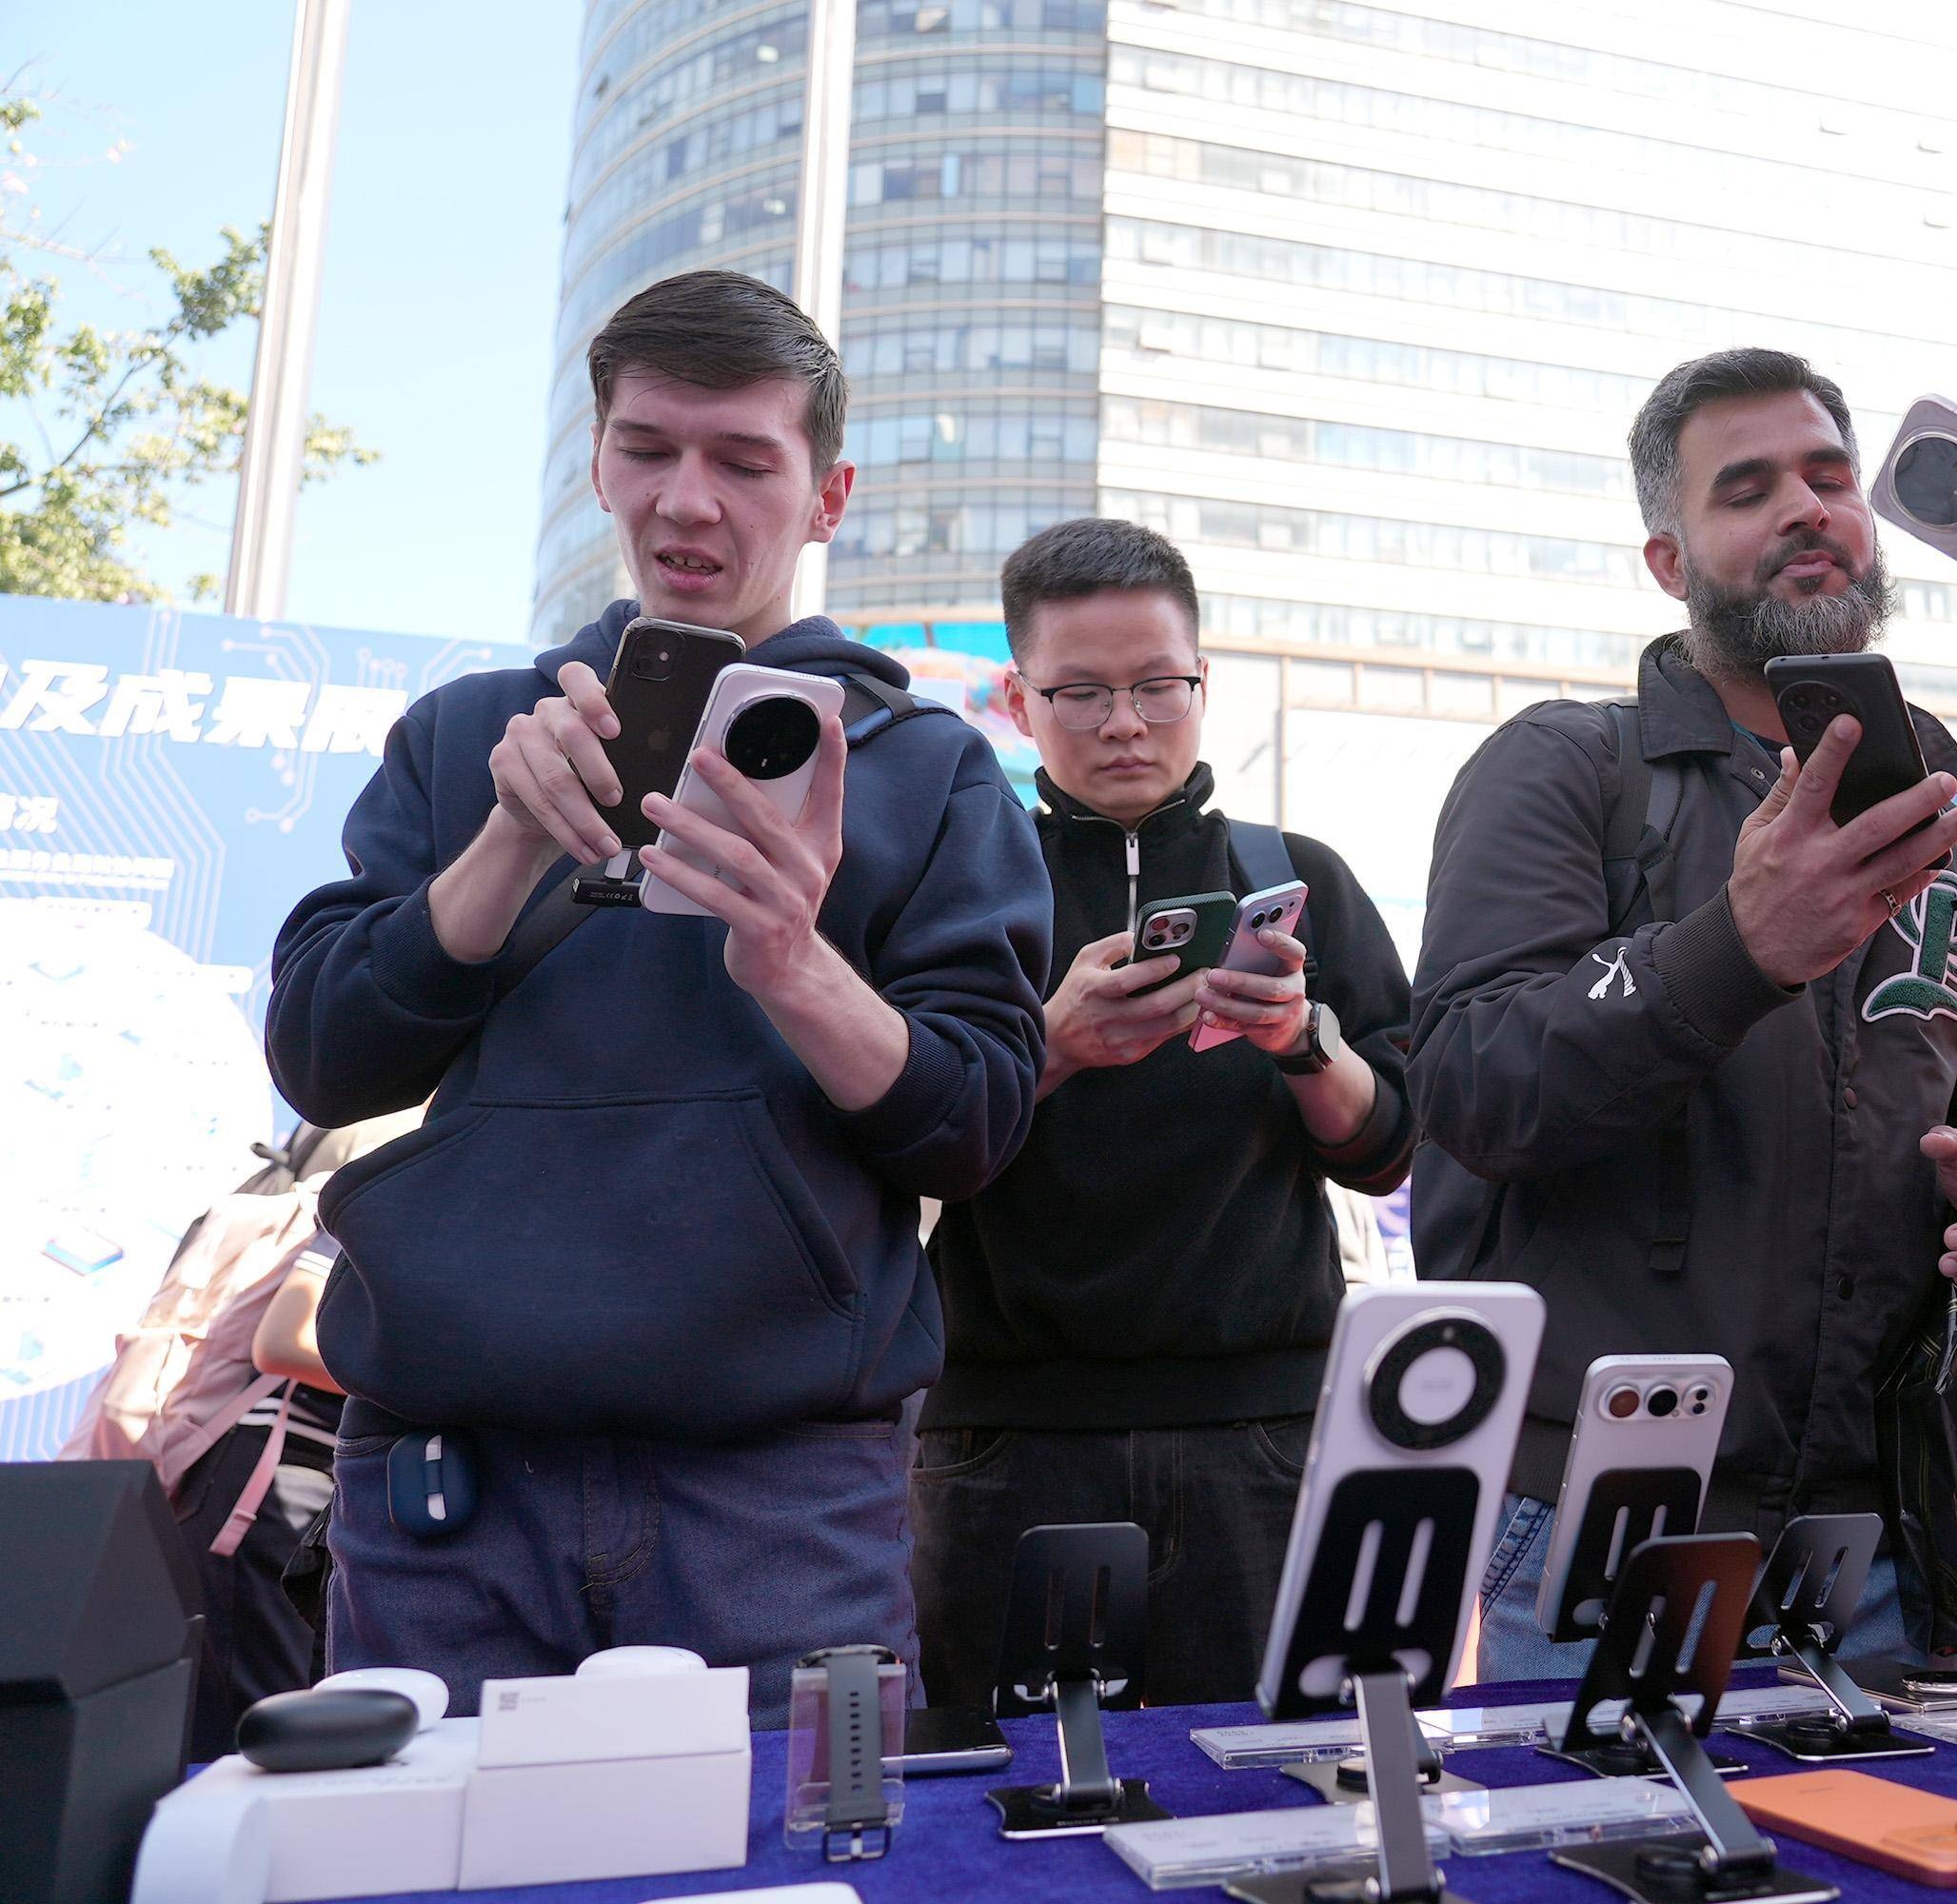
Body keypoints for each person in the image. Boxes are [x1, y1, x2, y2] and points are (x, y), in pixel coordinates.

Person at [264, 269, 1050, 1725]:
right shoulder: (466, 739)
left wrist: (794, 966)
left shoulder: (926, 768)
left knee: (786, 1882)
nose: (689, 500)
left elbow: (980, 1123)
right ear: (598, 464)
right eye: (650, 449)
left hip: (784, 1500)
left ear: (826, 496)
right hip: (450, 1487)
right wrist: (504, 846)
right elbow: (321, 1056)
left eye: (745, 461)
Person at [1411, 348, 1957, 1679]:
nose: (1803, 509)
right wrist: (1734, 950)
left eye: (1830, 477)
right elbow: (1472, 1084)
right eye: (1746, 488)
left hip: (1907, 1530)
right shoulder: (1563, 772)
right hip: (1606, 1531)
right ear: (1670, 559)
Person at [914, 519, 1418, 1707]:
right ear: (1015, 696)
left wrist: (1300, 1039)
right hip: (1004, 1439)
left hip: (1262, 1432)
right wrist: (1048, 1046)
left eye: (1158, 686)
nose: (1125, 722)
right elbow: (897, 1137)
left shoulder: (1299, 873)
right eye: (1079, 690)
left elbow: (1389, 1148)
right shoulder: (964, 884)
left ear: (1204, 683)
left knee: (1260, 1800)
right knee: (1006, 1819)